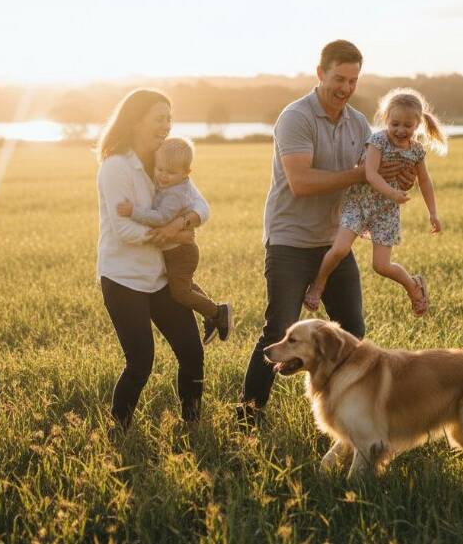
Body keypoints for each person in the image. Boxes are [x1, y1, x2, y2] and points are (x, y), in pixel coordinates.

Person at [238, 40, 416, 423]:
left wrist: (398, 179)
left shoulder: (358, 124)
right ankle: (247, 420)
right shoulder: (295, 118)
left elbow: (374, 177)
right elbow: (300, 182)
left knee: (351, 332)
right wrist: (363, 174)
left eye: (353, 80)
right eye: (339, 78)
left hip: (334, 242)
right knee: (277, 330)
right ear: (320, 74)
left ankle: (354, 415)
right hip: (289, 241)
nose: (346, 88)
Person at [97, 89, 209, 431]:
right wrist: (171, 236)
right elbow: (121, 229)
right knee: (140, 362)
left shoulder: (167, 160)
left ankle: (192, 423)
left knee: (192, 352)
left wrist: (182, 222)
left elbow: (201, 207)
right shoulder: (116, 166)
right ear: (136, 120)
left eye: (169, 118)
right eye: (159, 118)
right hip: (123, 278)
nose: (167, 125)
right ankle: (119, 429)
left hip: (159, 276)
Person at [304, 88, 447, 317]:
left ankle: (413, 285)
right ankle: (318, 285)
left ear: (417, 125)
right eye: (395, 123)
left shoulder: (417, 151)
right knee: (340, 248)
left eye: (407, 126)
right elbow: (370, 174)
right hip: (359, 203)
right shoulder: (378, 141)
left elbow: (425, 181)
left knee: (381, 266)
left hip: (386, 212)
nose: (400, 130)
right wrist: (392, 192)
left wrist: (433, 213)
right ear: (386, 120)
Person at [116, 136, 232, 344]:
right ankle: (211, 314)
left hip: (181, 252)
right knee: (184, 285)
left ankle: (217, 312)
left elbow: (160, 218)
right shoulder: (171, 184)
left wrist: (133, 211)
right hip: (177, 248)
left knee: (179, 293)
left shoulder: (175, 194)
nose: (163, 176)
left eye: (170, 172)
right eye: (160, 169)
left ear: (186, 174)